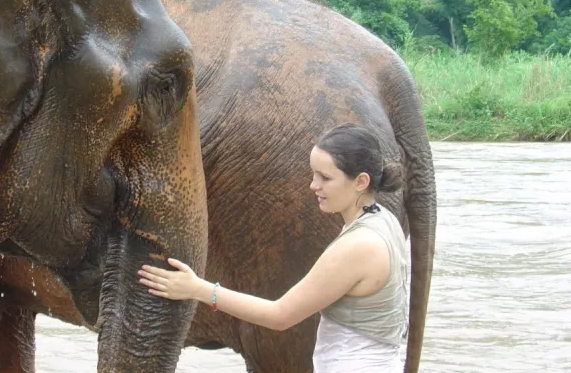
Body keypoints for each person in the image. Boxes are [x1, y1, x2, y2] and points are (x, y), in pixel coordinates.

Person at [138, 123, 409, 372]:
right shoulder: (383, 220)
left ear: (361, 182)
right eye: (313, 174)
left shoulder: (357, 247)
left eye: (325, 178)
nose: (313, 186)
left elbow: (280, 315)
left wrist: (197, 288)